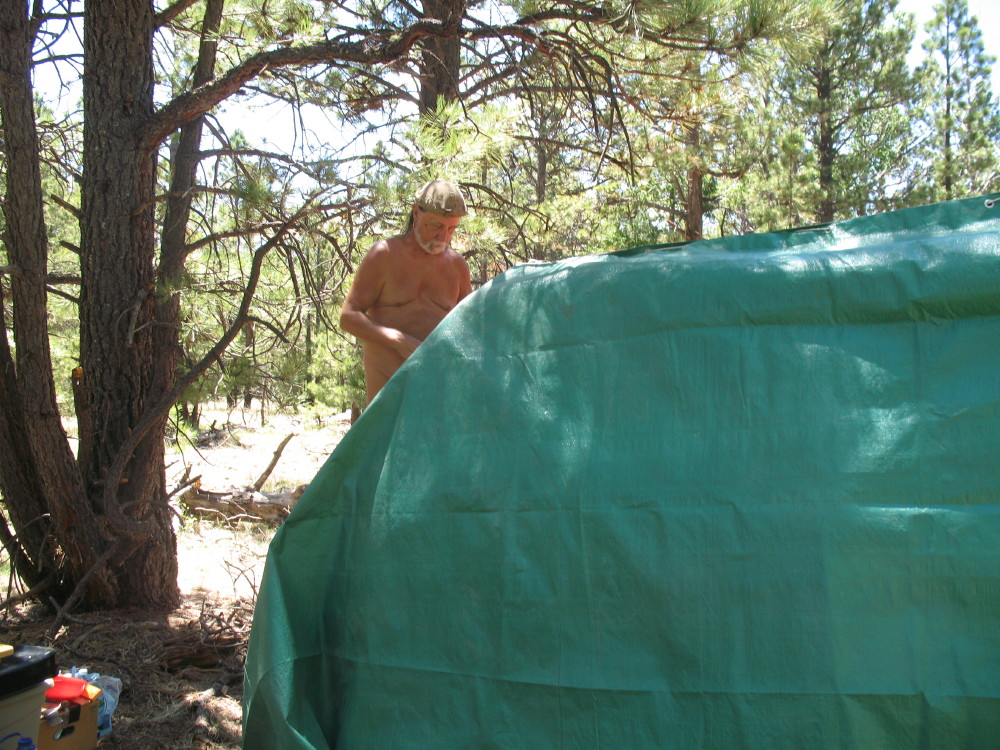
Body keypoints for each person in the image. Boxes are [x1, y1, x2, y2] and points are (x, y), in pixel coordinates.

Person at [340, 179, 473, 404]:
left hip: (436, 393)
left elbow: (469, 328)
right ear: (416, 213)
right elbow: (348, 317)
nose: (443, 237)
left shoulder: (457, 266)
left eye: (451, 229)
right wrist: (397, 339)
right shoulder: (384, 255)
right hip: (388, 395)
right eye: (436, 226)